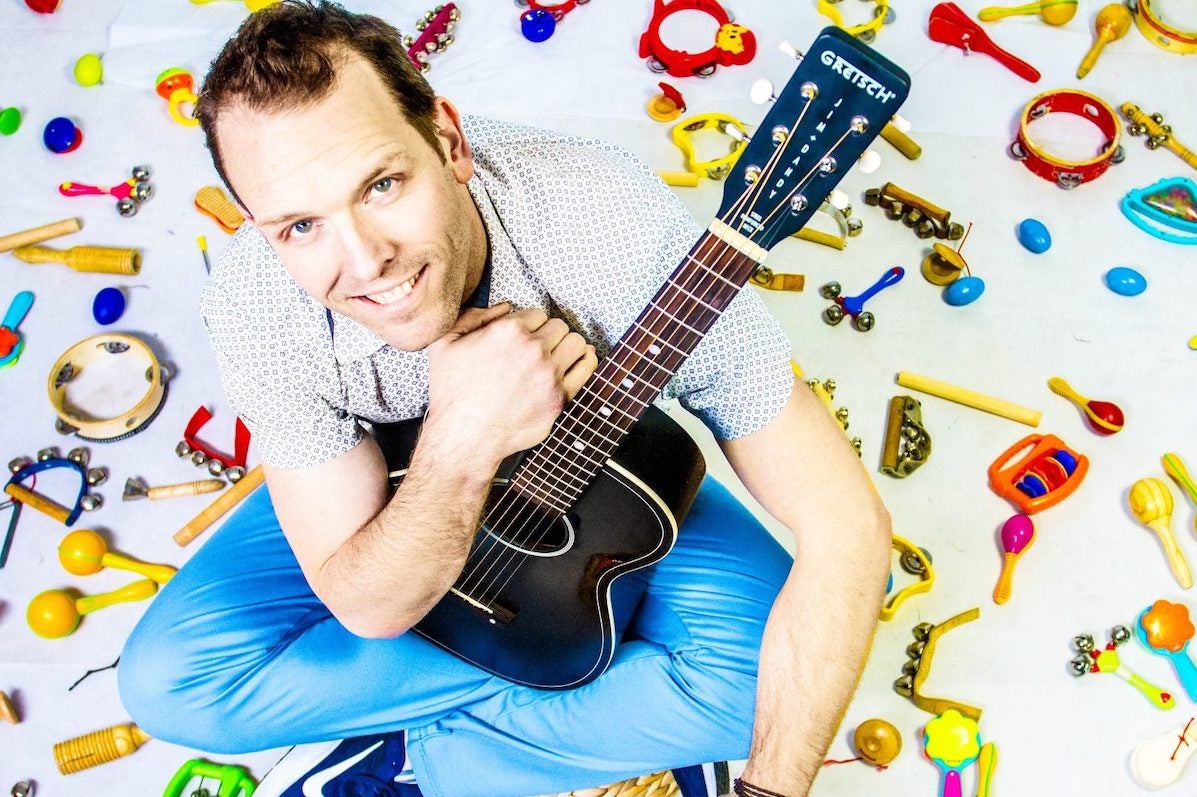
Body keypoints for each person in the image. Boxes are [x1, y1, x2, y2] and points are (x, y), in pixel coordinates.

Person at [117, 3, 892, 796]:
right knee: (168, 685)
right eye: (299, 226)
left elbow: (848, 524)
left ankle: (445, 755)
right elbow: (370, 607)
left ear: (448, 140)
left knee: (770, 692)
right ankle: (568, 697)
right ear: (257, 224)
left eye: (382, 184)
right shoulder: (257, 304)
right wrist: (462, 432)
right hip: (387, 488)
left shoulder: (608, 223)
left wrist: (769, 787)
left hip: (602, 479)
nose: (366, 262)